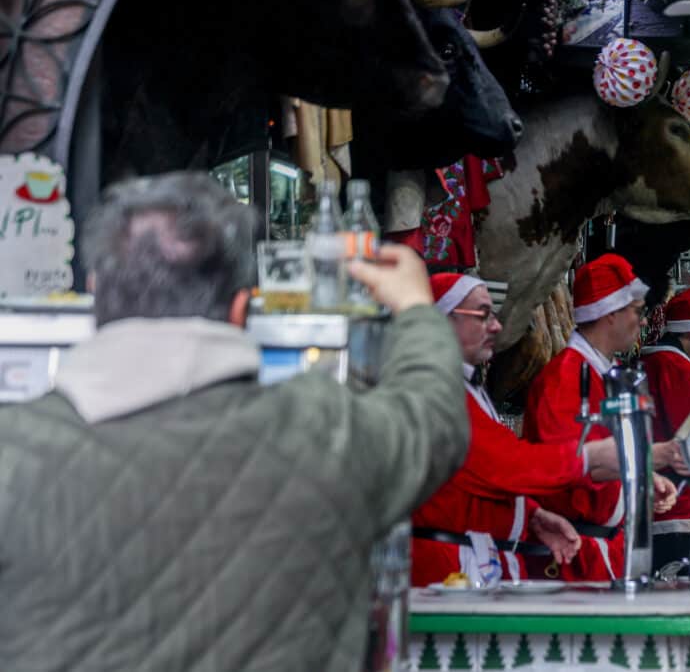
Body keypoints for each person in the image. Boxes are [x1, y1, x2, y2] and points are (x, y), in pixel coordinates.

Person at [0, 172, 469, 671]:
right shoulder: (323, 431)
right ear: (243, 308)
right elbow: (434, 416)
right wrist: (417, 308)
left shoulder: (14, 451)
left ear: (96, 293)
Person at [411, 273, 656, 587]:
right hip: (447, 570)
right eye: (483, 315)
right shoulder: (437, 392)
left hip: (471, 562)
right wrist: (587, 457)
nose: (497, 327)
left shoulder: (462, 388)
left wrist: (531, 516)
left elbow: (477, 480)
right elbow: (503, 465)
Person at [524, 253, 681, 582]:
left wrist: (641, 481)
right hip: (572, 558)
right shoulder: (566, 378)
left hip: (598, 550)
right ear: (611, 314)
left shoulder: (598, 374)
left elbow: (595, 454)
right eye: (637, 311)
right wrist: (648, 459)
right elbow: (568, 464)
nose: (642, 322)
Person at [640, 288, 690, 571]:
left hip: (648, 490)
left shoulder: (648, 361)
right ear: (689, 333)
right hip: (672, 496)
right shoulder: (678, 368)